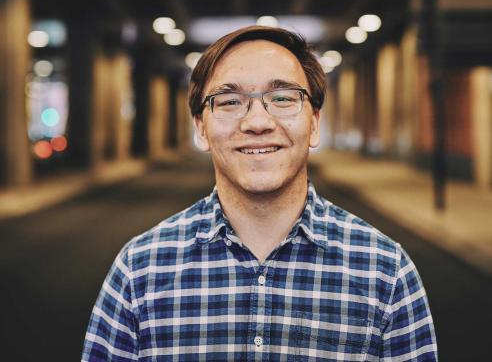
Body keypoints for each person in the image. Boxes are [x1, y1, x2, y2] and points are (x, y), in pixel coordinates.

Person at [82, 26, 438, 361]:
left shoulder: (385, 271)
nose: (257, 122)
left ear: (314, 123)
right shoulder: (139, 271)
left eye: (283, 97)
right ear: (201, 129)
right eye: (229, 101)